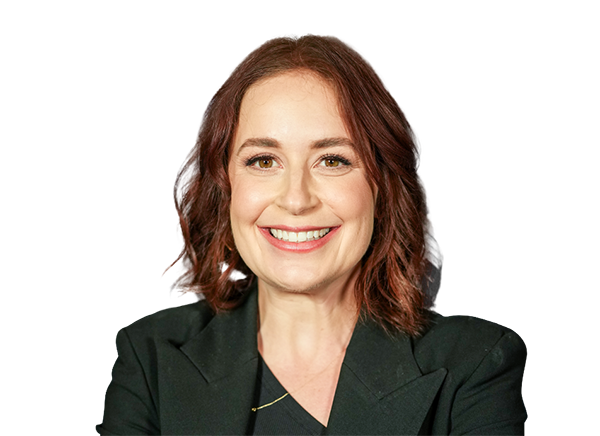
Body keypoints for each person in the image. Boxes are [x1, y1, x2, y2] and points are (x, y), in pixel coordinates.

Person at [99, 33, 526, 436]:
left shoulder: (475, 365)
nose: (296, 200)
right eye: (263, 161)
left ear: (381, 187)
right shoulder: (151, 357)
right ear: (223, 186)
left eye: (333, 160)